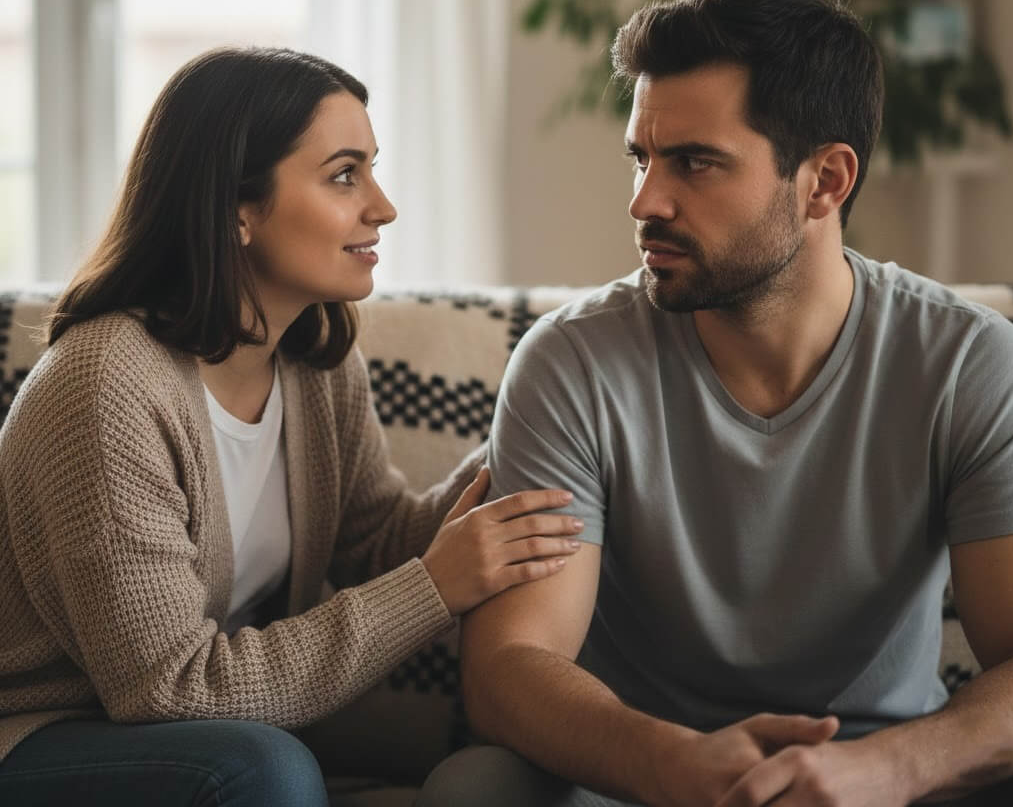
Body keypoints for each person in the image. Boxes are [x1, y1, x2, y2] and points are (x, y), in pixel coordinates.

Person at [416, 0, 1013, 807]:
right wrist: (670, 766)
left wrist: (886, 769)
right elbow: (510, 668)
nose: (645, 201)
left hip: (883, 780)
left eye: (695, 162)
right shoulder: (571, 363)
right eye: (642, 156)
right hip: (637, 777)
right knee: (475, 789)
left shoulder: (970, 363)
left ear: (824, 181)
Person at [0, 46, 584, 806]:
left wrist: (553, 410)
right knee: (263, 770)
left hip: (174, 738)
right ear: (237, 207)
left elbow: (376, 543)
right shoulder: (107, 385)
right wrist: (435, 588)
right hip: (34, 732)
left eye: (372, 169)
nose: (382, 205)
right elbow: (167, 690)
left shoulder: (315, 363)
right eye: (345, 174)